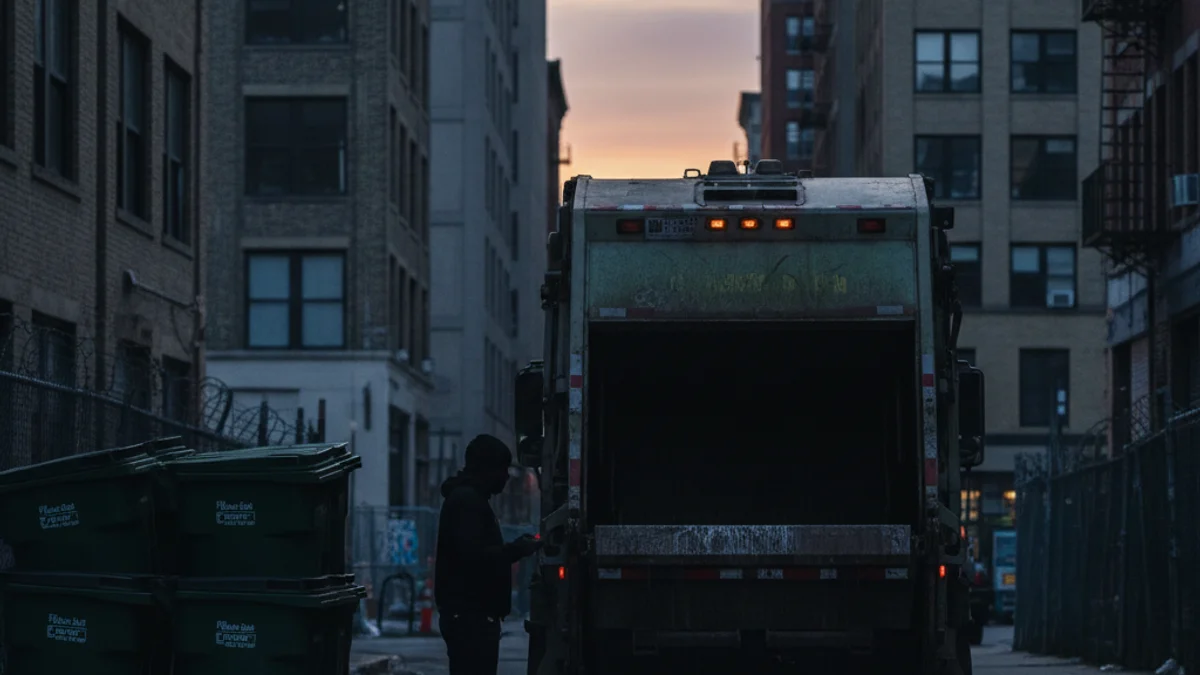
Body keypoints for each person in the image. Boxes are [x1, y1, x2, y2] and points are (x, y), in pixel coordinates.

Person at [435, 433, 542, 675]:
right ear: (486, 468)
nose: (506, 477)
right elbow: (474, 558)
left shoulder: (471, 500)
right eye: (502, 469)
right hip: (470, 619)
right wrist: (517, 550)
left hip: (471, 617)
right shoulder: (467, 502)